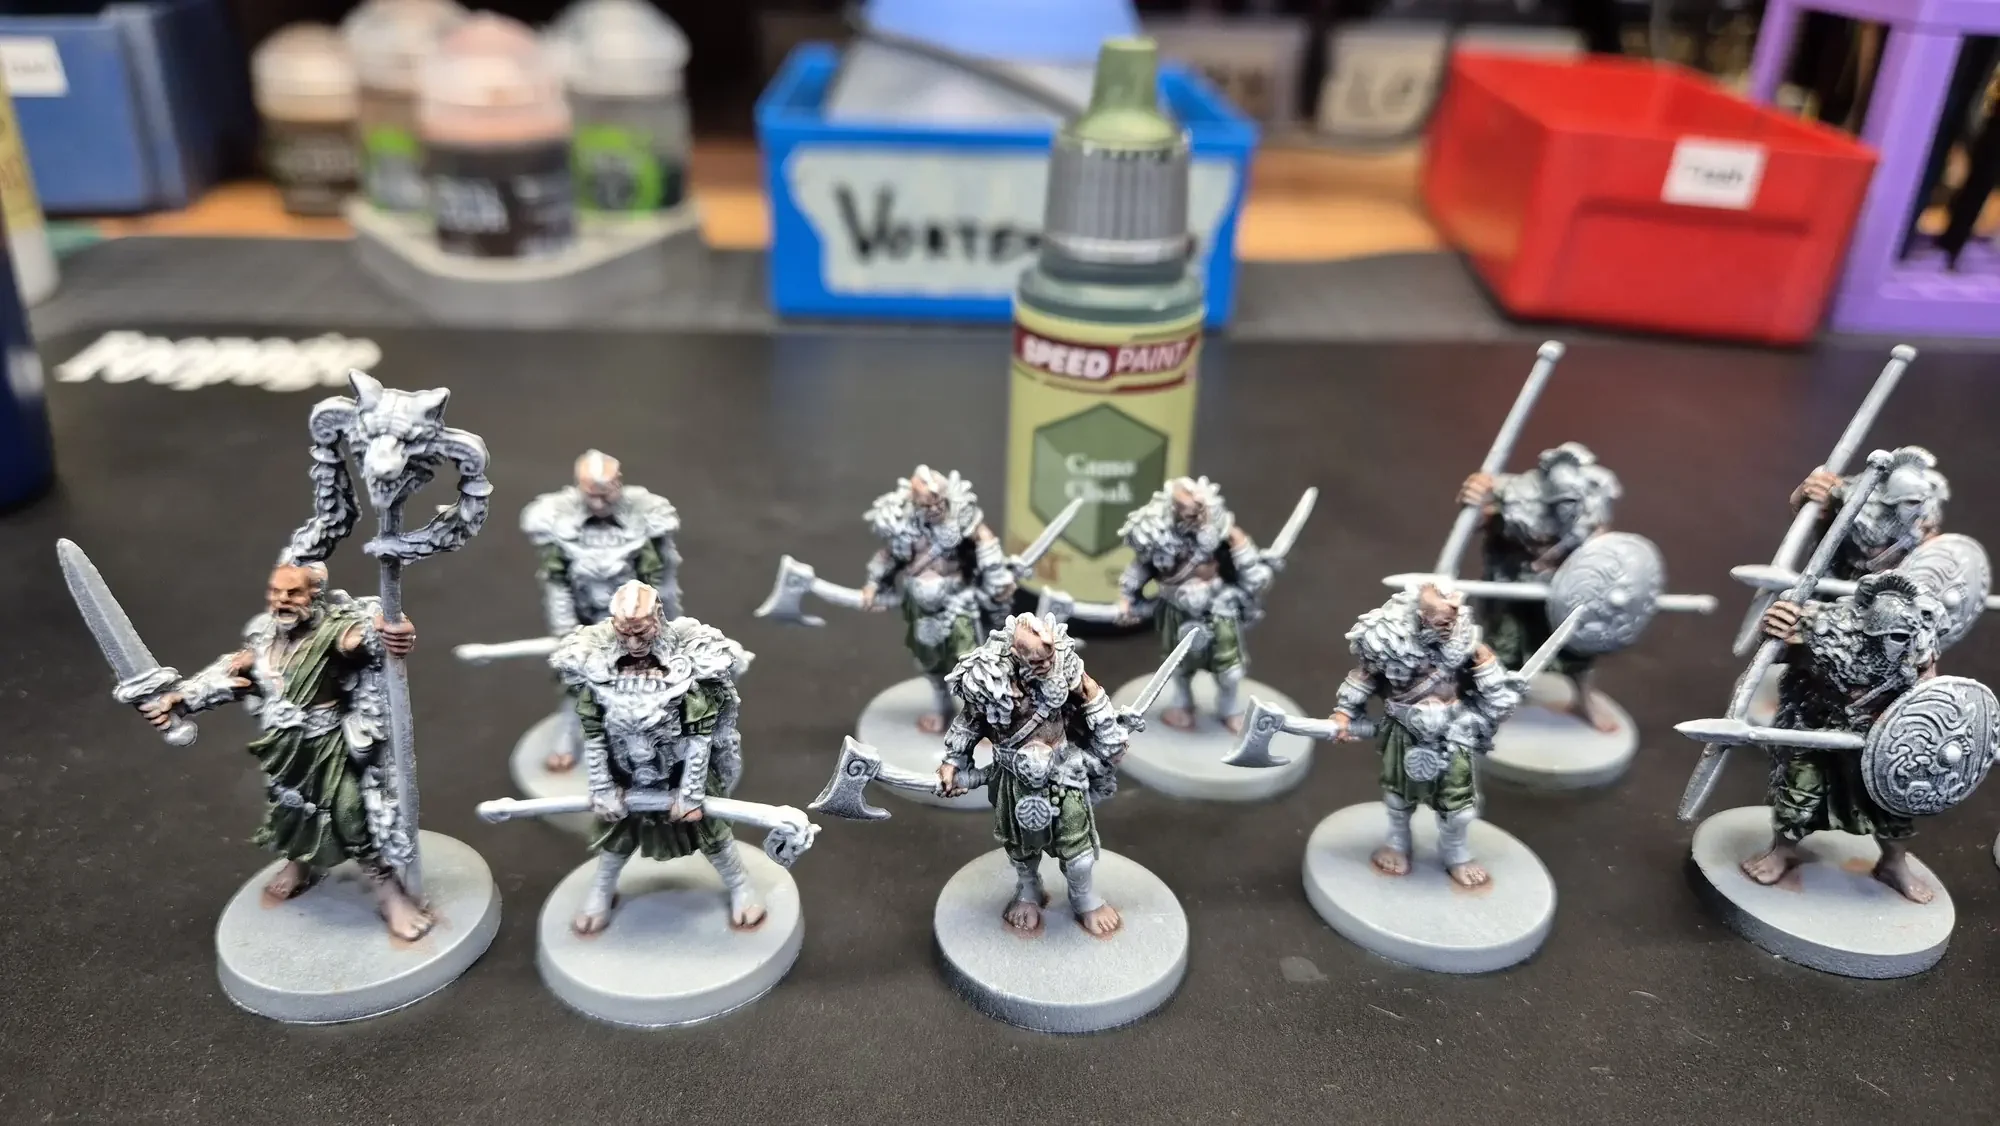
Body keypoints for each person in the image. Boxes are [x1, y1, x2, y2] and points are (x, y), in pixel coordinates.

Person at [137, 561, 428, 938]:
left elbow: (370, 638)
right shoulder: (264, 639)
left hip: (329, 745)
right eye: (276, 592)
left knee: (350, 813)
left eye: (293, 593)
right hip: (284, 747)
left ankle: (390, 894)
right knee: (290, 810)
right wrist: (178, 700)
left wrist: (398, 632)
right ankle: (300, 863)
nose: (282, 600)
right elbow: (227, 675)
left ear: (314, 595)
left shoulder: (334, 632)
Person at [557, 581, 759, 934]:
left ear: (658, 621)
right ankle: (602, 890)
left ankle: (741, 887)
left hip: (679, 768)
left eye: (642, 633)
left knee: (714, 836)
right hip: (625, 769)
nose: (634, 645)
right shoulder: (598, 667)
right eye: (625, 634)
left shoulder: (687, 671)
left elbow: (699, 739)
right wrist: (603, 787)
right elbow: (594, 735)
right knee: (616, 838)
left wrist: (690, 793)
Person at [1746, 572, 1945, 903]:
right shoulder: (1829, 629)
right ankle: (1782, 852)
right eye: (1892, 637)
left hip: (1878, 743)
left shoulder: (1920, 645)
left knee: (1893, 806)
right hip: (1819, 730)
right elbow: (1777, 652)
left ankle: (1893, 864)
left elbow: (1928, 695)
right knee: (1798, 794)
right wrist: (1773, 627)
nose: (1900, 647)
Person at [935, 614, 1132, 936]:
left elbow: (1091, 695)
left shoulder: (1064, 666)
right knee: (1021, 847)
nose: (1045, 666)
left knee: (1078, 849)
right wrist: (954, 761)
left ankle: (1083, 897)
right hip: (1012, 776)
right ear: (1016, 652)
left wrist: (1108, 735)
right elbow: (970, 721)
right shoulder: (990, 677)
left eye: (1048, 657)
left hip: (1062, 772)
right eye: (1037, 660)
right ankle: (1029, 890)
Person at [1327, 585, 1521, 887]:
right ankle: (1397, 842)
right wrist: (1344, 713)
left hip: (1453, 732)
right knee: (1398, 797)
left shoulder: (1465, 641)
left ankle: (1455, 851)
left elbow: (1491, 683)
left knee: (1459, 806)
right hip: (1404, 729)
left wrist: (1497, 698)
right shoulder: (1391, 639)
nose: (1448, 625)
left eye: (1452, 618)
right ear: (1421, 616)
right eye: (1442, 620)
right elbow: (1365, 676)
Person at [522, 449, 681, 770]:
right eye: (591, 495)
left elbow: (658, 580)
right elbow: (557, 583)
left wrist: (659, 628)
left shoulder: (646, 515)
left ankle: (656, 743)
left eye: (605, 494)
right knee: (576, 681)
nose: (598, 504)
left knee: (647, 682)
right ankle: (571, 731)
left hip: (639, 620)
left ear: (618, 484)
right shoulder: (556, 517)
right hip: (584, 619)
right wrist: (566, 632)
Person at [1458, 442, 1620, 731]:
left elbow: (1599, 546)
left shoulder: (1592, 501)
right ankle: (1487, 706)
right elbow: (1478, 520)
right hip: (1516, 590)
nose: (1567, 510)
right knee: (1503, 650)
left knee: (1578, 652)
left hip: (1564, 594)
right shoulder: (1514, 498)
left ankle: (1583, 701)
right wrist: (1475, 499)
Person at [857, 465, 1016, 733]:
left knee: (971, 659)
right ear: (915, 503)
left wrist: (997, 577)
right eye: (927, 505)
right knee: (930, 661)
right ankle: (943, 709)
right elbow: (888, 556)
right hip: (921, 606)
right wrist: (872, 585)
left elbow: (985, 539)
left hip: (958, 601)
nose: (935, 508)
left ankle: (979, 720)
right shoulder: (903, 524)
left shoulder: (960, 515)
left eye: (939, 502)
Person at [1114, 476, 1273, 732]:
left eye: (1199, 510)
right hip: (1176, 608)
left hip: (1218, 606)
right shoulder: (1157, 531)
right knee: (1178, 666)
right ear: (1174, 509)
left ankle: (1229, 708)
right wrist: (1127, 598)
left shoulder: (1219, 525)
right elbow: (1141, 566)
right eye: (1188, 511)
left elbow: (1240, 548)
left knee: (1230, 669)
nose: (1196, 516)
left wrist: (1253, 573)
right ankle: (1182, 704)